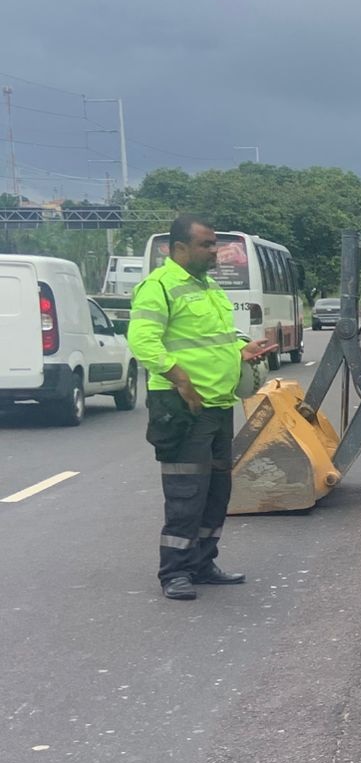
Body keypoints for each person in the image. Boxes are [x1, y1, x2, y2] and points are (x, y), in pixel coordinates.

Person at [128, 216, 277, 600]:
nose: (215, 251)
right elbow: (143, 342)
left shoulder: (209, 288)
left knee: (216, 491)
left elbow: (213, 342)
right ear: (178, 248)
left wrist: (242, 351)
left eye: (214, 244)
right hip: (182, 406)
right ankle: (174, 572)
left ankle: (203, 563)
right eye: (206, 245)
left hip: (217, 404)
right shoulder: (158, 288)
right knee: (186, 492)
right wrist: (181, 379)